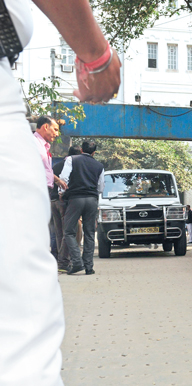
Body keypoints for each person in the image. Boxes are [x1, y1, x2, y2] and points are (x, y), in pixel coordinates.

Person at [0, 0, 121, 383]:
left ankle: (72, 263)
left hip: (69, 197)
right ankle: (82, 264)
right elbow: (91, 183)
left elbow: (62, 175)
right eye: (52, 127)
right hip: (88, 198)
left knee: (66, 232)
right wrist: (96, 56)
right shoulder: (95, 165)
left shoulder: (68, 158)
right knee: (21, 312)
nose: (55, 131)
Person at [60, 141, 105, 275]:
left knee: (68, 231)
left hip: (75, 199)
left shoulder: (71, 160)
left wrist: (62, 193)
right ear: (94, 153)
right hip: (92, 200)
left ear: (81, 150)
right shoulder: (99, 166)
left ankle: (77, 262)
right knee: (90, 233)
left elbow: (63, 178)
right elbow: (101, 187)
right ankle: (89, 267)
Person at [51, 145, 83, 272]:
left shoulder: (56, 166)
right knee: (69, 232)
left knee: (59, 233)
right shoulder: (73, 166)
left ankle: (61, 260)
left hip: (52, 201)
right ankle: (64, 262)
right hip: (63, 201)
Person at [33, 115, 66, 194]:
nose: (57, 134)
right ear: (46, 127)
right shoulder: (32, 143)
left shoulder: (43, 146)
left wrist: (57, 180)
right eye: (55, 130)